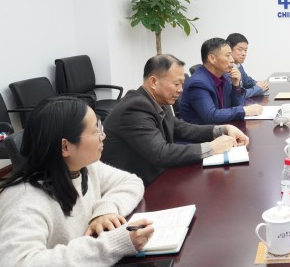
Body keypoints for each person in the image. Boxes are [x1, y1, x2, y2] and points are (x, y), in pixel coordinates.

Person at [0, 96, 154, 267]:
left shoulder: (85, 167)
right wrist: (111, 245)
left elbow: (131, 182)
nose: (103, 136)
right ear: (65, 146)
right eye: (95, 131)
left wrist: (106, 209)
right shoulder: (24, 201)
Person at [101, 54, 249, 185]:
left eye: (182, 84)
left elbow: (181, 128)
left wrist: (224, 129)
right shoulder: (135, 107)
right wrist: (212, 147)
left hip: (156, 178)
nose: (180, 89)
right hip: (134, 187)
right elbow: (161, 153)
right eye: (176, 84)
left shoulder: (158, 100)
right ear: (153, 82)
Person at [179, 38, 263, 124]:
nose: (232, 60)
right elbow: (211, 116)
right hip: (203, 131)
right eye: (228, 56)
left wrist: (236, 85)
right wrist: (245, 110)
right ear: (212, 58)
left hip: (222, 127)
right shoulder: (198, 83)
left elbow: (236, 106)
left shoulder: (225, 77)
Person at [227, 32, 269, 99]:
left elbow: (246, 80)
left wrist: (256, 83)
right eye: (240, 50)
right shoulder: (226, 69)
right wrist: (258, 89)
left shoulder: (238, 65)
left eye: (245, 50)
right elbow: (239, 94)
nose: (244, 53)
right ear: (229, 49)